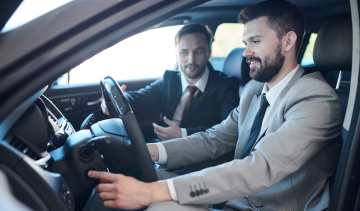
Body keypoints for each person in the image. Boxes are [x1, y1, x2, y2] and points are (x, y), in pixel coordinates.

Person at [88, 0, 342, 210]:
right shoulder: (255, 91)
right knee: (120, 185)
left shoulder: (316, 100)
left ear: (287, 42)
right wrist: (148, 151)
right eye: (245, 43)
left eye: (255, 41)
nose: (245, 53)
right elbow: (214, 139)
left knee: (152, 203)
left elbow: (260, 167)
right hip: (235, 199)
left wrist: (153, 192)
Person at [83, 24, 240, 141]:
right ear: (176, 54)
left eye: (198, 51)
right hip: (161, 147)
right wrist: (118, 100)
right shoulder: (169, 79)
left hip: (200, 156)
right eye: (184, 52)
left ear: (209, 52)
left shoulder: (226, 85)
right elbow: (140, 98)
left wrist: (183, 134)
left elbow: (228, 129)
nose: (191, 60)